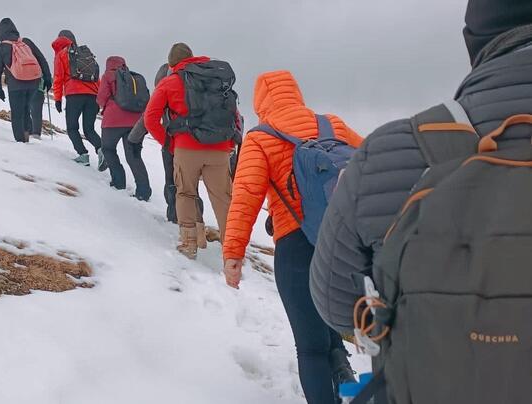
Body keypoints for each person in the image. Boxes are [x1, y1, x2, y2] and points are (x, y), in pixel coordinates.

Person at [309, 0, 532, 336]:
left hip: (451, 383)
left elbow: (339, 308)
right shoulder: (348, 134)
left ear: (476, 42)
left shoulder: (390, 152)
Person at [222, 71, 363, 404]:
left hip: (296, 245)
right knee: (330, 316)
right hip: (344, 243)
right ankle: (345, 373)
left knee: (310, 347)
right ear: (295, 93)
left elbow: (246, 196)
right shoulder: (333, 124)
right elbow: (372, 160)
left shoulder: (260, 137)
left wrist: (233, 254)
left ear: (260, 102)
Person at [144, 43, 235, 259]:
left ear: (171, 64)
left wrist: (170, 144)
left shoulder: (170, 81)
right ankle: (232, 250)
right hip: (220, 148)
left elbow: (150, 118)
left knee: (185, 193)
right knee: (223, 197)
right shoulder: (216, 79)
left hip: (186, 148)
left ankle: (189, 244)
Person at [96, 56, 152, 200]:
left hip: (113, 121)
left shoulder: (108, 75)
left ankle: (118, 181)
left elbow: (101, 98)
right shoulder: (135, 78)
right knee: (134, 155)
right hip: (135, 122)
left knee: (108, 148)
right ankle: (144, 192)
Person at [0, 18, 51, 143]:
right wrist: (47, 78)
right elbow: (41, 59)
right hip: (33, 83)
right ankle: (27, 136)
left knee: (17, 113)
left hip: (15, 85)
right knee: (26, 109)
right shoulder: (26, 42)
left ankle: (21, 142)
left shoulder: (1, 47)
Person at [52, 30, 105, 169]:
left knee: (72, 127)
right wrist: (99, 99)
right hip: (92, 96)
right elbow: (97, 78)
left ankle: (82, 154)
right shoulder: (86, 55)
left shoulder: (62, 54)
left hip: (74, 95)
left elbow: (58, 78)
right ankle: (101, 150)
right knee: (89, 129)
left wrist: (57, 99)